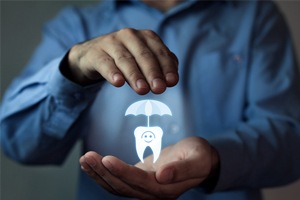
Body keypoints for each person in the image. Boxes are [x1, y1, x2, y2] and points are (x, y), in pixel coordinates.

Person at [1, 0, 300, 199]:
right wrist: (73, 70)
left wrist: (216, 157)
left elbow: (290, 139)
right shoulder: (77, 26)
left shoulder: (255, 16)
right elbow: (17, 143)